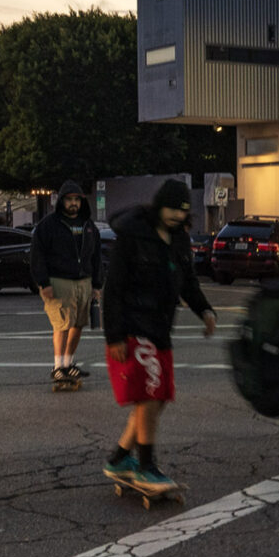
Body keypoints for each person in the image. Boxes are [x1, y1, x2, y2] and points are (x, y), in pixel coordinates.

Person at [100, 179, 214, 494]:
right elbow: (113, 290)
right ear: (158, 206)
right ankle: (146, 467)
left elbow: (188, 282)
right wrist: (115, 336)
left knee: (159, 397)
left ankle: (120, 458)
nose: (178, 217)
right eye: (173, 210)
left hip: (161, 329)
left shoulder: (179, 240)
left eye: (183, 212)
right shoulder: (133, 237)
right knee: (148, 398)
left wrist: (205, 311)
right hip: (135, 327)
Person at [29, 181, 103, 388]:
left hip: (84, 282)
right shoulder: (49, 225)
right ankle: (58, 367)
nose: (73, 204)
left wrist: (97, 285)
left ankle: (69, 363)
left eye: (76, 200)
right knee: (61, 325)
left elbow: (96, 256)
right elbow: (37, 255)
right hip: (59, 281)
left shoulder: (88, 225)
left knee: (78, 324)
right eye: (69, 199)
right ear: (61, 201)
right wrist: (43, 282)